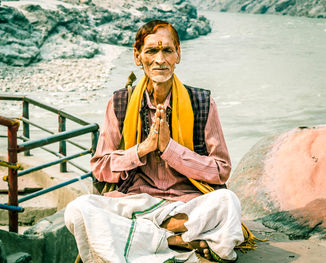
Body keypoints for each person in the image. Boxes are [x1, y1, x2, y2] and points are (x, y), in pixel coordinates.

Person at [65, 20, 244, 263]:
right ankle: (176, 238)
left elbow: (221, 170)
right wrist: (143, 149)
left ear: (178, 54)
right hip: (135, 202)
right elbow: (100, 167)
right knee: (78, 210)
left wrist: (170, 149)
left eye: (167, 50)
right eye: (151, 51)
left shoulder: (202, 102)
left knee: (228, 202)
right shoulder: (120, 102)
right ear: (138, 57)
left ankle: (148, 238)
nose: (160, 59)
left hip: (188, 202)